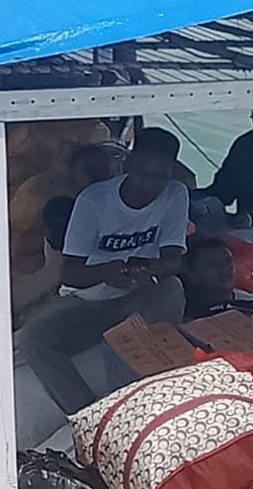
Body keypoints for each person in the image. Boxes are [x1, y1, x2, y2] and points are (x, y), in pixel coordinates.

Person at [20, 127, 189, 414]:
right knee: (32, 338)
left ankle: (142, 399)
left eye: (160, 177)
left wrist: (145, 270)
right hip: (88, 302)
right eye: (143, 174)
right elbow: (70, 274)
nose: (150, 185)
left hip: (137, 297)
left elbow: (173, 257)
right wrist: (105, 273)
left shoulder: (175, 194)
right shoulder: (94, 201)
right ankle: (87, 414)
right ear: (128, 164)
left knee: (172, 288)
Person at [7, 142, 120, 273]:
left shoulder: (124, 205)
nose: (99, 175)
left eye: (104, 169)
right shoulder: (58, 211)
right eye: (89, 169)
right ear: (72, 174)